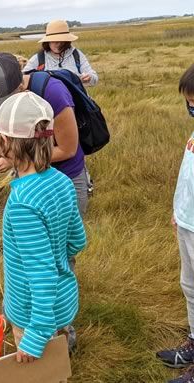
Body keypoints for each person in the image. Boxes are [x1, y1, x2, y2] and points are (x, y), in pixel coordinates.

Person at [0, 91, 86, 362]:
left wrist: (34, 335)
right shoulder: (62, 180)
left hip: (33, 314)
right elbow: (77, 241)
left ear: (7, 143)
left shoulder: (22, 204)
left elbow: (42, 275)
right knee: (57, 365)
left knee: (38, 374)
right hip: (63, 302)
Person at [0, 52, 91, 217]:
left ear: (20, 86)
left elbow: (67, 150)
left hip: (65, 176)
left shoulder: (52, 92)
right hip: (26, 176)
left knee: (65, 232)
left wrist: (14, 159)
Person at [156, 63, 194, 383]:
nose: (191, 110)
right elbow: (188, 175)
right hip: (187, 223)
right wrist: (178, 211)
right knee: (190, 287)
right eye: (189, 105)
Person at [23, 20, 98, 86]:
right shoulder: (39, 58)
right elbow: (22, 79)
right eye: (54, 41)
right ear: (47, 42)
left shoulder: (76, 55)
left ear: (67, 41)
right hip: (47, 101)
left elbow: (94, 78)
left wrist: (89, 78)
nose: (58, 44)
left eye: (61, 41)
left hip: (76, 100)